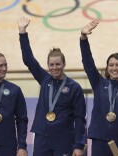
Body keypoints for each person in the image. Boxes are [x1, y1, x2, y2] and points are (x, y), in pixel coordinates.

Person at [17, 17, 86, 156]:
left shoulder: (74, 87)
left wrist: (79, 144)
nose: (55, 68)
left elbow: (79, 118)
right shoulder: (44, 79)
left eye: (58, 64)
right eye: (51, 65)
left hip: (64, 138)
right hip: (42, 137)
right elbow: (28, 60)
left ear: (64, 64)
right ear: (48, 65)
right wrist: (22, 33)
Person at [80, 21, 118, 156]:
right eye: (111, 65)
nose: (114, 68)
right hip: (99, 141)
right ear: (107, 68)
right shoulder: (99, 83)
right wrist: (83, 38)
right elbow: (88, 62)